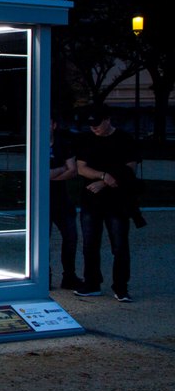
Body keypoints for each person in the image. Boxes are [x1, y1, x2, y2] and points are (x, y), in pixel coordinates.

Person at [73, 105, 141, 302]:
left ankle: (120, 286)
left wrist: (105, 182)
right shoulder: (86, 140)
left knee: (119, 245)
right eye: (91, 124)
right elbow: (81, 168)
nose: (94, 128)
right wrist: (103, 176)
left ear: (108, 120)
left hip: (117, 202)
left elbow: (130, 170)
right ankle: (92, 282)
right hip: (91, 201)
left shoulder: (125, 140)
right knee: (89, 244)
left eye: (98, 123)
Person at [48, 116, 79, 290]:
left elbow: (73, 170)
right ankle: (45, 277)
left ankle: (69, 276)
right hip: (44, 202)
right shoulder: (36, 145)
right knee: (43, 241)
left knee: (71, 238)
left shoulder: (64, 144)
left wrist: (52, 174)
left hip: (62, 200)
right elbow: (41, 174)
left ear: (54, 125)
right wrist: (62, 169)